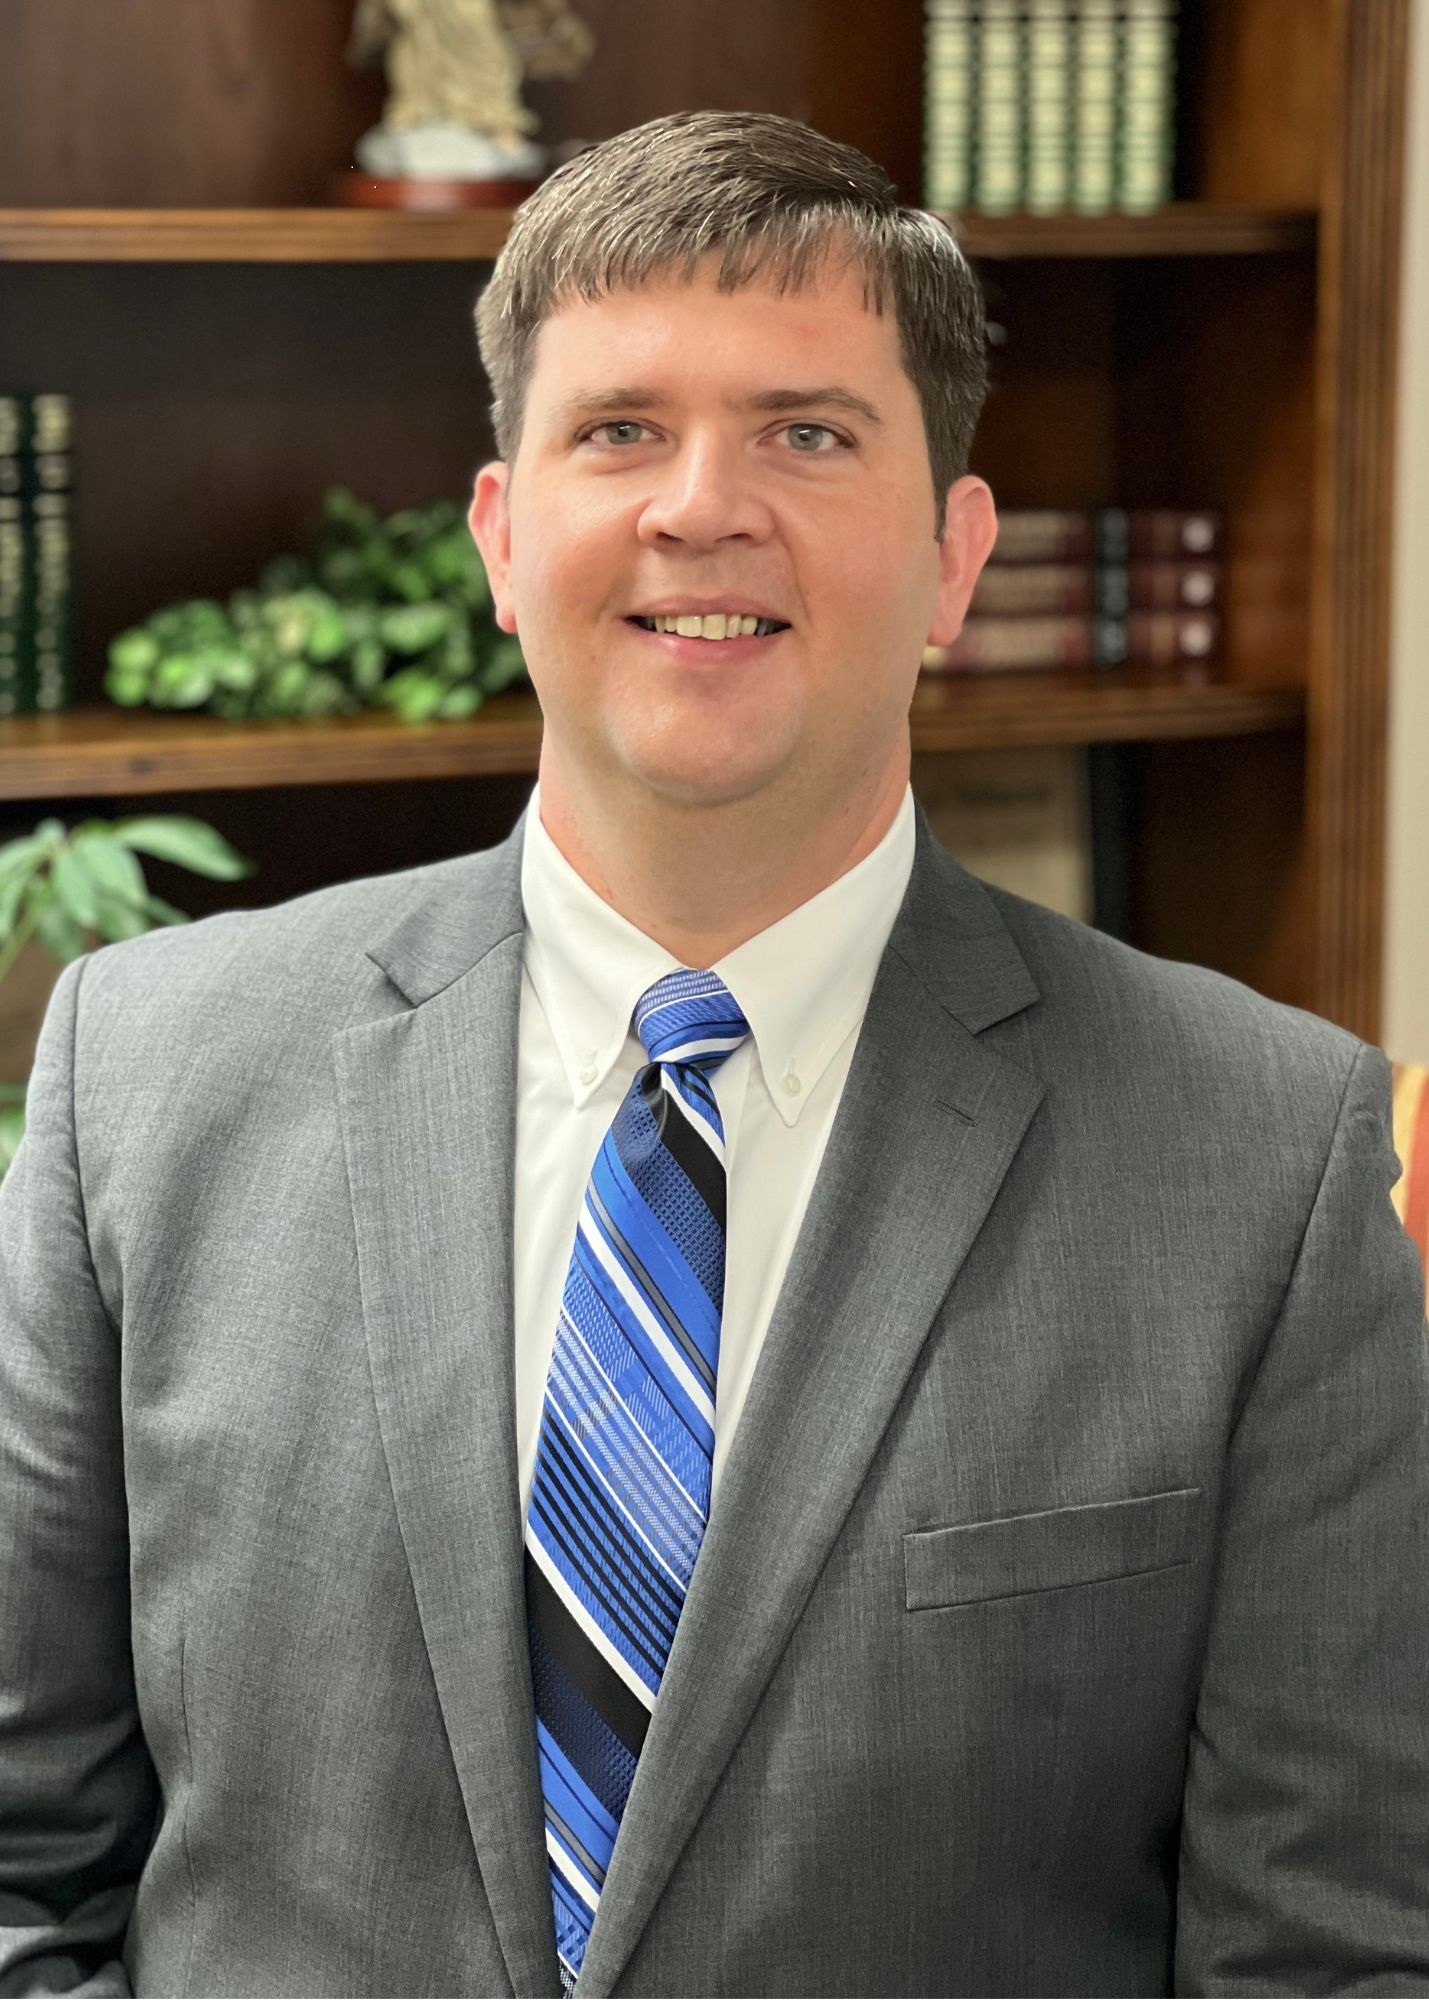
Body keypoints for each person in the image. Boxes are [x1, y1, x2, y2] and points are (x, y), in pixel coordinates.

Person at [2, 108, 1428, 2000]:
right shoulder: (145, 1076)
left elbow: (1321, 1961)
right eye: (617, 430)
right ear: (504, 543)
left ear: (952, 557)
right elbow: (24, 1862)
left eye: (808, 432)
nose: (701, 506)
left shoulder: (1270, 1159)